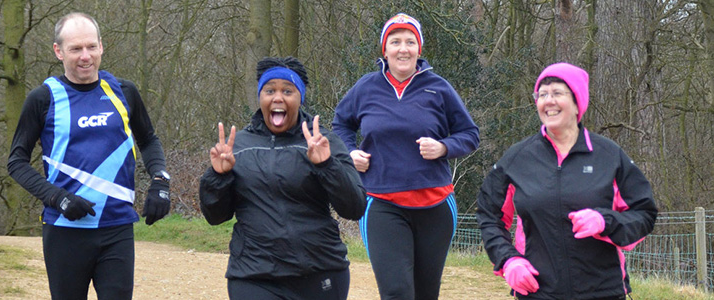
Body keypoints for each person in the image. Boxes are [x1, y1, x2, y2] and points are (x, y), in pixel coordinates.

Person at [7, 12, 170, 300]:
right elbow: (16, 162)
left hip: (117, 228)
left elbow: (149, 140)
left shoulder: (124, 91)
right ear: (58, 51)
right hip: (64, 231)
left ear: (101, 46)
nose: (86, 56)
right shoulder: (42, 99)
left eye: (91, 47)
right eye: (75, 49)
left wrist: (160, 180)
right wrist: (58, 197)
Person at [476, 62, 658, 299]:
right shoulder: (517, 159)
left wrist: (606, 221)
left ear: (577, 103)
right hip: (537, 291)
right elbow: (489, 215)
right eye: (542, 95)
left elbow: (644, 214)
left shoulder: (609, 155)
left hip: (603, 291)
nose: (548, 101)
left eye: (557, 93)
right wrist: (508, 260)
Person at [332, 13, 480, 299]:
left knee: (425, 293)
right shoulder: (366, 87)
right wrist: (350, 152)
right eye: (395, 41)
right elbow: (340, 125)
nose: (403, 48)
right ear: (384, 50)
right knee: (397, 291)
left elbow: (469, 134)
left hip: (435, 205)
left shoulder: (439, 87)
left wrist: (444, 147)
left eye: (410, 42)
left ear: (419, 49)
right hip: (382, 203)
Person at [199, 56, 367, 300]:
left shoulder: (323, 143)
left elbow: (354, 206)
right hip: (254, 276)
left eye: (287, 91)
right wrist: (218, 176)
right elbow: (215, 216)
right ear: (260, 98)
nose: (278, 98)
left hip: (320, 272)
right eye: (270, 90)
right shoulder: (238, 147)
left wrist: (327, 165)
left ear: (300, 98)